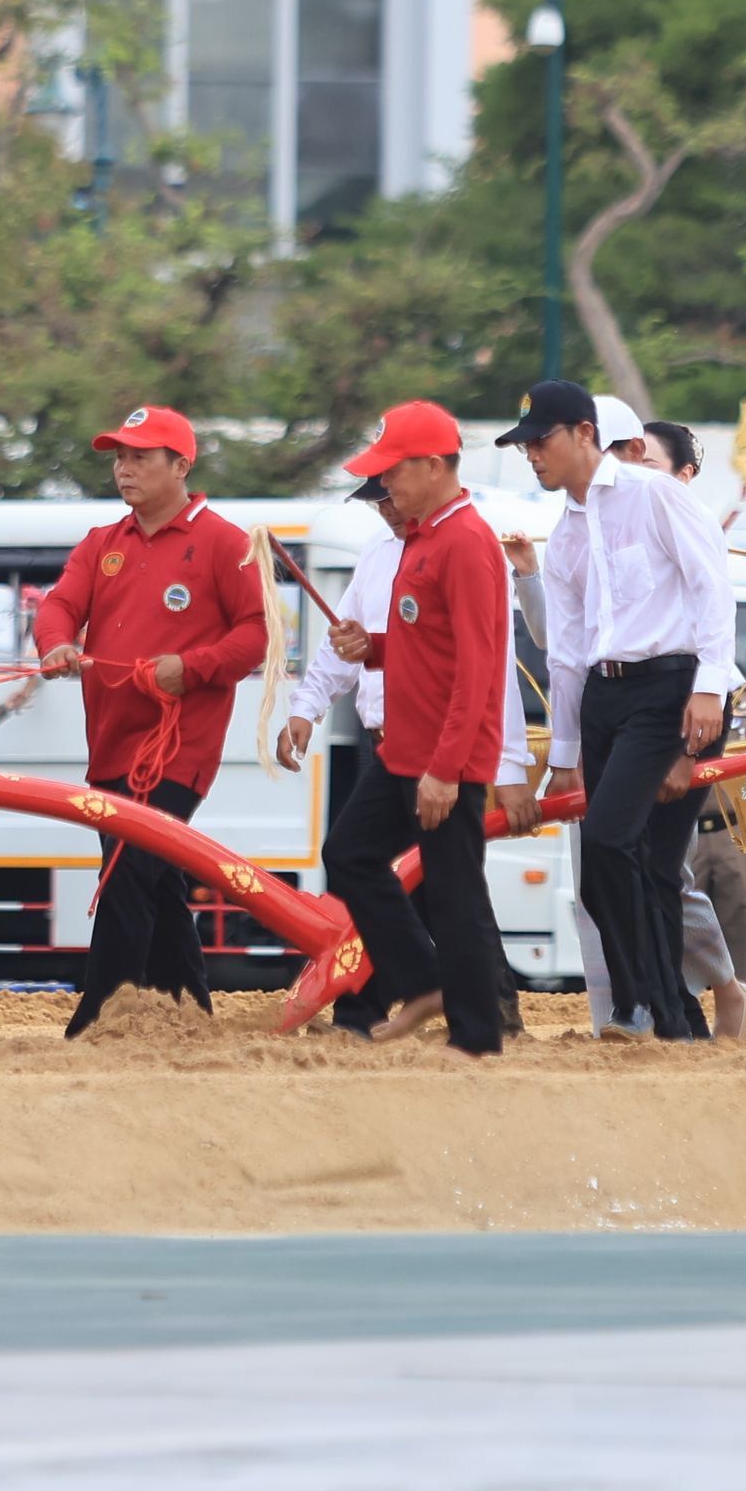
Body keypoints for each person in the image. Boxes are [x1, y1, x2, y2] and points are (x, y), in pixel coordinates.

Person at [503, 377, 734, 1042]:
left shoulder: (655, 494)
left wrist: (709, 687)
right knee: (613, 872)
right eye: (524, 447)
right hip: (603, 698)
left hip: (668, 689)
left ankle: (647, 1006)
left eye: (540, 441)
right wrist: (565, 754)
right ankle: (666, 1014)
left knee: (612, 844)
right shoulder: (565, 534)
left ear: (584, 434)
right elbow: (566, 653)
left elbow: (711, 587)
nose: (532, 456)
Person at [31, 405, 272, 1035]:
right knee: (155, 880)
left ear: (181, 466)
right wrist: (56, 643)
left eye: (140, 457)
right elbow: (59, 606)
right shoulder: (101, 543)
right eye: (119, 457)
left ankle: (98, 1019)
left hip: (177, 746)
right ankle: (191, 1014)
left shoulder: (224, 542)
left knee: (127, 873)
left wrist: (189, 669)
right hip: (111, 742)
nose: (124, 469)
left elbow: (256, 634)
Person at [282, 476, 535, 1038]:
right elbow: (354, 643)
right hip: (388, 742)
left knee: (446, 883)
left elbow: (488, 669)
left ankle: (481, 1019)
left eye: (391, 493)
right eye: (376, 501)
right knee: (379, 870)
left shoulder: (463, 544)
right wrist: (310, 702)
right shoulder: (380, 553)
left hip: (444, 742)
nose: (387, 508)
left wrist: (507, 765)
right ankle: (404, 1003)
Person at [314, 401, 510, 1056]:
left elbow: (479, 666)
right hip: (403, 748)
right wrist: (370, 647)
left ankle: (477, 1040)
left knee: (455, 895)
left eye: (392, 470)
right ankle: (424, 983)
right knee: (348, 855)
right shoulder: (422, 538)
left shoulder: (466, 541)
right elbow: (429, 643)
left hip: (442, 757)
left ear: (432, 466)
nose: (383, 484)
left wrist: (447, 769)